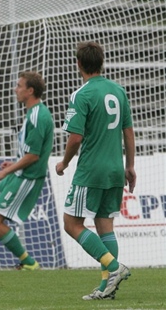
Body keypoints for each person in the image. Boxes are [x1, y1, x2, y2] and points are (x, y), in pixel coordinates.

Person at [55, 41, 135, 300]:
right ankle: (106, 289)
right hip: (115, 168)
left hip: (92, 170)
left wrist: (64, 163)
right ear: (102, 62)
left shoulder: (82, 94)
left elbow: (75, 138)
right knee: (105, 226)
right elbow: (129, 132)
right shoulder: (118, 91)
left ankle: (114, 268)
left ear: (78, 64)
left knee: (71, 223)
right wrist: (130, 166)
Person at [0, 71, 53, 271]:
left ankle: (30, 263)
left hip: (27, 177)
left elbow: (34, 156)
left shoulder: (38, 116)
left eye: (19, 86)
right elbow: (29, 152)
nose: (15, 90)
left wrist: (5, 172)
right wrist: (14, 163)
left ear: (30, 90)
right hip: (19, 172)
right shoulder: (32, 113)